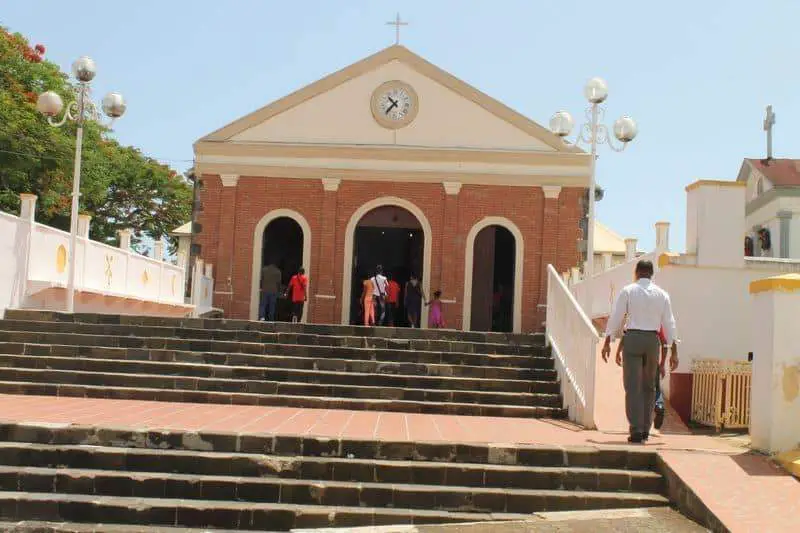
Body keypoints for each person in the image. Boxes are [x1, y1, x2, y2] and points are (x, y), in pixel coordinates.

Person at [601, 260, 678, 444]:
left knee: (632, 386)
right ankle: (645, 428)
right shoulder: (662, 294)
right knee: (649, 386)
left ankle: (635, 429)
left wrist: (607, 341)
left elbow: (617, 317)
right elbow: (669, 323)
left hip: (633, 339)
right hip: (653, 341)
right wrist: (674, 351)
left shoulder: (628, 290)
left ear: (636, 272)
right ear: (652, 273)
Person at [615, 325, 671, 430]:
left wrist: (618, 351)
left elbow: (625, 337)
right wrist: (662, 363)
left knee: (636, 389)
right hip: (652, 357)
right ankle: (659, 405)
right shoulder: (656, 323)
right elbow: (664, 343)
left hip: (634, 357)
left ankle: (637, 423)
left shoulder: (633, 321)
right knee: (653, 387)